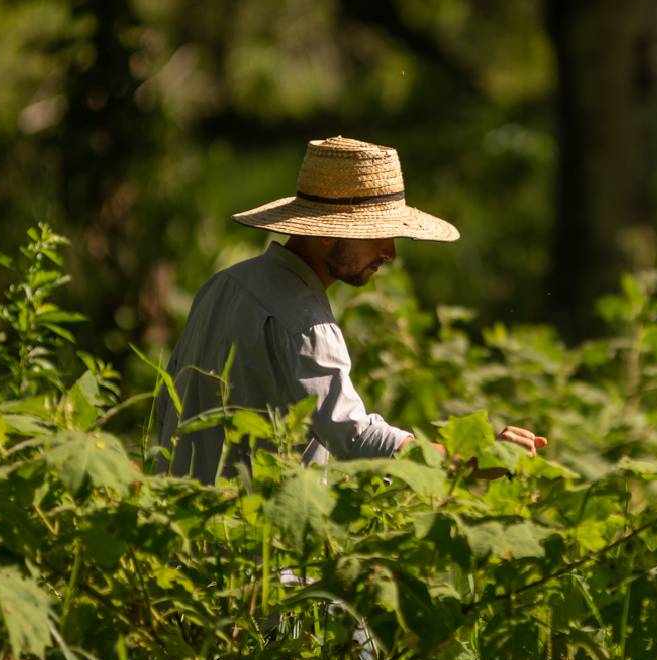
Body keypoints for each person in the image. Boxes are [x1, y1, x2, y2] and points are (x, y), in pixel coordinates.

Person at [152, 136, 545, 483]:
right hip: (259, 553)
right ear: (324, 233)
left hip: (189, 539)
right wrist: (472, 461)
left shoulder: (222, 285)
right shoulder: (307, 324)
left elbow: (167, 408)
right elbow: (357, 440)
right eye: (375, 234)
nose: (390, 252)